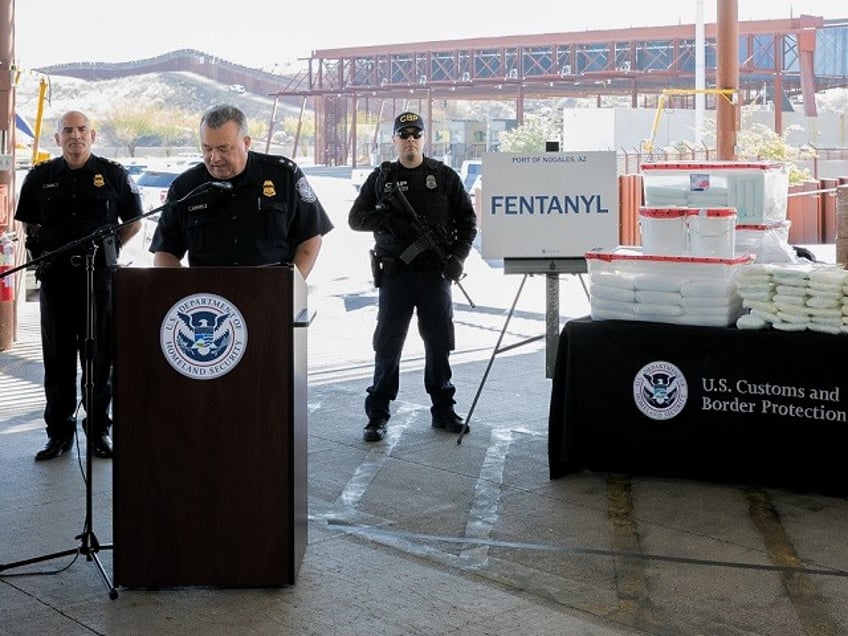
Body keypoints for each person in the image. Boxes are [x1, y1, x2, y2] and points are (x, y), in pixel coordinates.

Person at [15, 110, 143, 460]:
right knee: (57, 361)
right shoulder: (40, 177)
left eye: (82, 129)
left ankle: (99, 431)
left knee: (100, 360)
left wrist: (107, 250)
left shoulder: (113, 175)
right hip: (56, 282)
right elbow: (30, 224)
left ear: (93, 134)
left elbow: (133, 222)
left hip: (99, 281)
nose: (76, 136)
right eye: (67, 131)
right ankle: (58, 435)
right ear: (56, 139)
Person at [348, 111, 477, 442]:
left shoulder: (443, 176)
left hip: (435, 276)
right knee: (388, 344)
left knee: (439, 343)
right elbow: (356, 218)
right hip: (396, 276)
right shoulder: (382, 178)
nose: (410, 139)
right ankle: (377, 415)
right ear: (394, 140)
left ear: (423, 139)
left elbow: (468, 222)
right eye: (403, 135)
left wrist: (457, 259)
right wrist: (388, 220)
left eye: (415, 134)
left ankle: (443, 410)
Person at [149, 103, 333, 274]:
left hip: (271, 297)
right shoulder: (185, 187)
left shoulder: (283, 175)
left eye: (223, 148)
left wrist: (291, 288)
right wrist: (184, 292)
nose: (214, 158)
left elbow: (310, 237)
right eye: (207, 148)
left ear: (246, 143)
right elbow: (165, 253)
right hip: (210, 304)